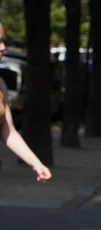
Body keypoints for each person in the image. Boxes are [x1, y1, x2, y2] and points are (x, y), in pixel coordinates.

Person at [0, 23, 52, 183]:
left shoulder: (0, 85)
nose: (2, 47)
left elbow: (9, 131)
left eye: (3, 41)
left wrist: (36, 163)